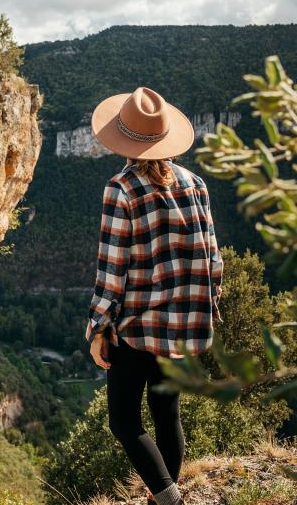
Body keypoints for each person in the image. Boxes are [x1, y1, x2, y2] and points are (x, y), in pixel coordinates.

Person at [84, 87, 224, 505]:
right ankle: (163, 497)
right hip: (183, 326)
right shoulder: (195, 184)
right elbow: (213, 258)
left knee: (123, 421)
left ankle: (169, 500)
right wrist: (205, 311)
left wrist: (97, 329)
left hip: (138, 327)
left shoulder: (121, 188)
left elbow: (112, 271)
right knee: (167, 413)